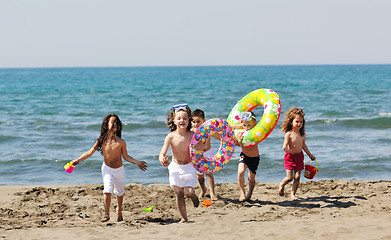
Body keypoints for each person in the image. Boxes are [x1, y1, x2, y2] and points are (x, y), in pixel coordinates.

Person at [70, 114, 147, 222]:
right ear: (106, 125)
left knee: (119, 193)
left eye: (117, 122)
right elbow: (89, 152)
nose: (115, 124)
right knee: (107, 190)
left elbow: (126, 156)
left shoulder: (121, 142)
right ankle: (106, 215)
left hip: (119, 170)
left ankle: (119, 211)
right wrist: (78, 160)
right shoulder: (102, 141)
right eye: (113, 122)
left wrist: (137, 162)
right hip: (107, 169)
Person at [159, 104, 200, 223]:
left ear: (189, 120)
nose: (182, 120)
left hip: (189, 166)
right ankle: (184, 217)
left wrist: (200, 146)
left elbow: (203, 146)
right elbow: (162, 152)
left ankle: (193, 196)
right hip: (175, 167)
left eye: (185, 118)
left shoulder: (193, 135)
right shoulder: (170, 137)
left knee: (188, 192)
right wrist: (162, 159)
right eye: (179, 118)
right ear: (174, 120)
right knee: (179, 193)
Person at [279, 107, 316, 200]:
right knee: (290, 178)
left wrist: (310, 155)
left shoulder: (302, 134)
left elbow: (303, 145)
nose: (299, 124)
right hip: (289, 157)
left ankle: (293, 194)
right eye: (297, 121)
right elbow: (284, 146)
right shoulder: (288, 134)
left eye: (301, 122)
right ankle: (282, 184)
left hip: (299, 157)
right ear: (291, 122)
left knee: (297, 177)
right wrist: (289, 150)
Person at [233, 111, 260, 202]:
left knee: (251, 178)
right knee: (240, 172)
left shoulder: (255, 132)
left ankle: (249, 193)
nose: (247, 128)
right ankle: (242, 193)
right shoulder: (242, 132)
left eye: (249, 125)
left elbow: (243, 144)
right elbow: (237, 127)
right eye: (245, 126)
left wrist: (240, 142)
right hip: (244, 156)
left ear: (254, 124)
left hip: (254, 158)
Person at [191, 109, 217, 201]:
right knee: (200, 176)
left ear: (204, 121)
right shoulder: (191, 132)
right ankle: (203, 189)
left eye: (198, 121)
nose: (195, 124)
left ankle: (212, 192)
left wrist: (204, 145)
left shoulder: (207, 130)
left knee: (209, 173)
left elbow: (219, 136)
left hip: (208, 152)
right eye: (193, 122)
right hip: (197, 156)